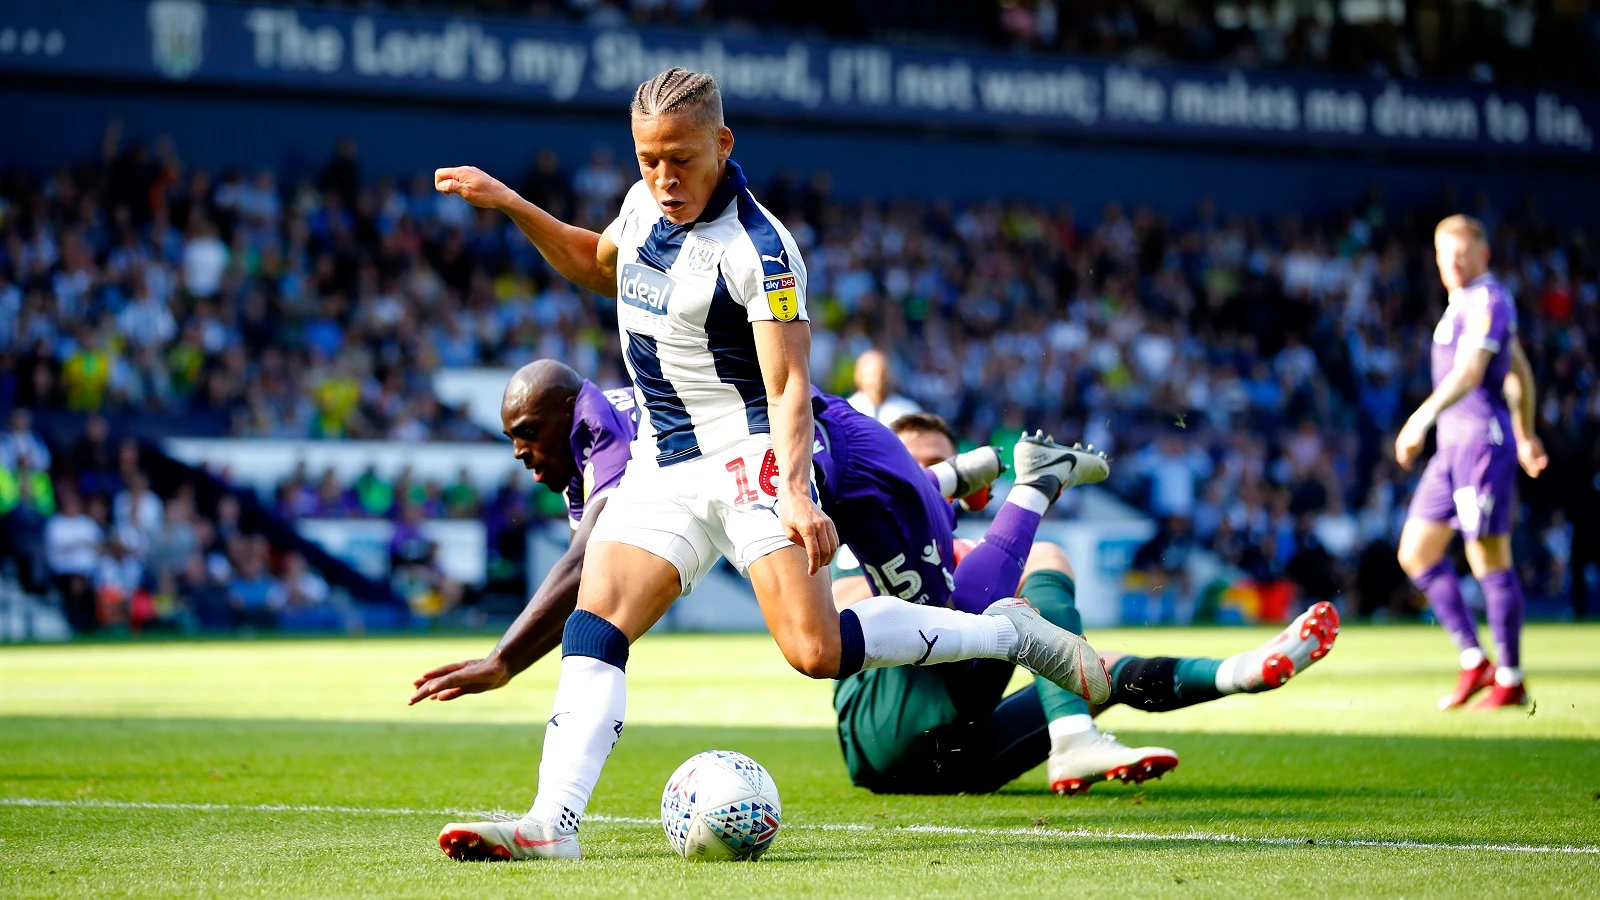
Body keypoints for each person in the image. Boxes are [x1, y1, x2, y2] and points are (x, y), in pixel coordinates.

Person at [425, 68, 1108, 862]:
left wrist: (792, 489)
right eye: (648, 158)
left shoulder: (761, 250)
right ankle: (552, 823)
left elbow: (787, 384)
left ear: (723, 144)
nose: (663, 177)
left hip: (750, 450)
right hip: (666, 459)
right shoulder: (643, 205)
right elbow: (595, 263)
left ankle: (1001, 634)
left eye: (679, 158)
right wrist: (511, 204)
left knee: (813, 652)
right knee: (597, 622)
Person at [831, 413, 1339, 795]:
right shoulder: (866, 544)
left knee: (1092, 672)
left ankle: (1238, 672)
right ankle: (1074, 735)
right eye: (917, 465)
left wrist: (1236, 672)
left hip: (960, 758)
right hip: (885, 728)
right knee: (1042, 557)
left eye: (940, 465)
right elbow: (849, 612)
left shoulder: (975, 562)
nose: (932, 478)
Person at [1394, 214, 1547, 710]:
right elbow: (1519, 369)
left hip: (1481, 445)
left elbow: (1475, 370)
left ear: (1483, 255)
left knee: (1487, 559)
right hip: (1452, 449)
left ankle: (1511, 675)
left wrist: (1420, 418)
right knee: (1416, 552)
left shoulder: (1491, 299)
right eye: (1446, 255)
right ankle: (1473, 661)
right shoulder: (1461, 304)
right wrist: (1528, 433)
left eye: (1463, 254)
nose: (1454, 263)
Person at [847, 348, 920, 425]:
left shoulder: (908, 411)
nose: (877, 382)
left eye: (883, 376)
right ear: (858, 377)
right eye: (872, 375)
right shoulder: (846, 411)